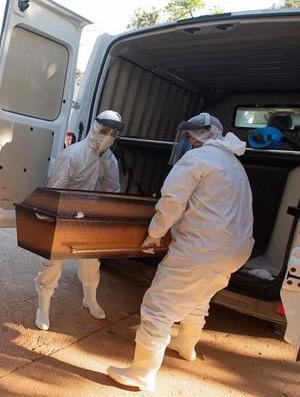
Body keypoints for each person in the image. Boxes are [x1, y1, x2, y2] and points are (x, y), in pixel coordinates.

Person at [107, 113, 254, 391]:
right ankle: (186, 346)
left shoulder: (196, 159)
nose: (187, 141)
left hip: (204, 249)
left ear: (193, 136)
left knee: (158, 307)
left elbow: (172, 202)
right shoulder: (234, 162)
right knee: (199, 298)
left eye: (188, 137)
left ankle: (141, 373)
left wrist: (154, 234)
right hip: (235, 250)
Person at [35, 110, 124, 331]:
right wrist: (49, 222)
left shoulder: (110, 160)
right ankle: (43, 306)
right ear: (94, 127)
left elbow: (112, 191)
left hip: (89, 220)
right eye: (104, 130)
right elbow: (55, 190)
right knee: (52, 264)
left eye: (113, 133)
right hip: (64, 217)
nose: (107, 136)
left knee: (92, 262)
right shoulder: (72, 155)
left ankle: (90, 299)